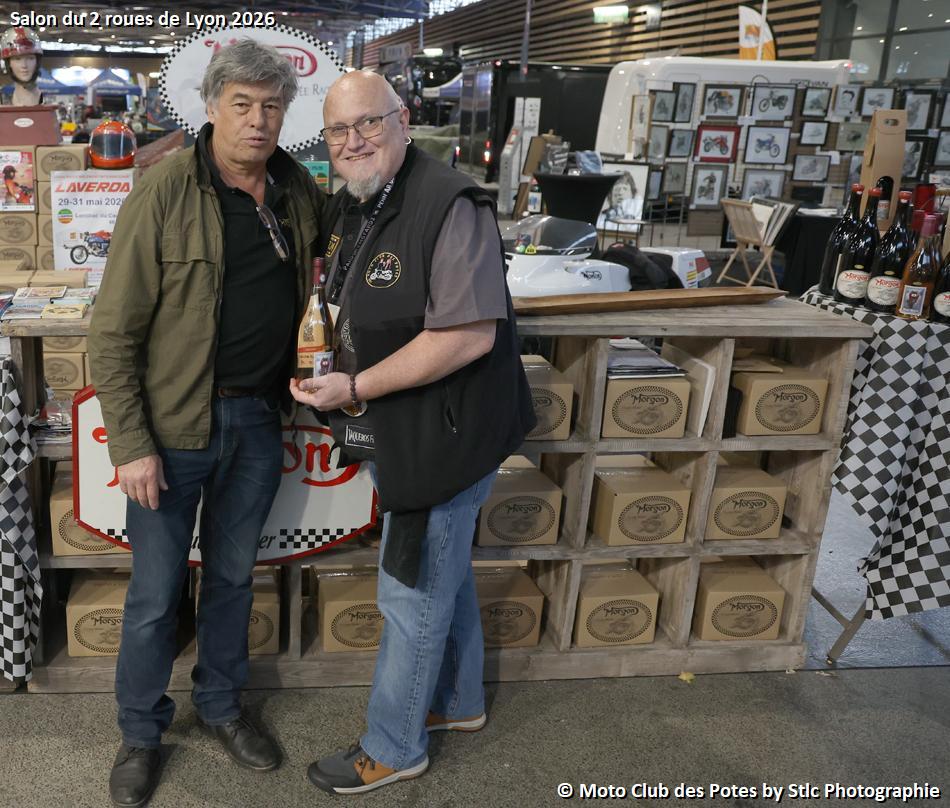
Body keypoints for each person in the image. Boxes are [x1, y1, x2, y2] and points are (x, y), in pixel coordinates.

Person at [87, 39, 324, 807]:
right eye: (242, 104)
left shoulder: (296, 192)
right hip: (171, 429)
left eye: (271, 107)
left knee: (230, 579)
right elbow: (112, 333)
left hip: (257, 420)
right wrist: (132, 445)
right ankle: (140, 733)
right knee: (156, 594)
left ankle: (221, 706)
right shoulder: (164, 191)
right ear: (212, 108)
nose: (258, 121)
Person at [292, 70, 535, 795]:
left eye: (369, 122)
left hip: (445, 437)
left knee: (411, 590)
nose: (354, 140)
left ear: (402, 120)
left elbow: (465, 336)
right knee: (442, 571)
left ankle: (395, 746)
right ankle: (457, 702)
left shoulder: (450, 203)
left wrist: (355, 387)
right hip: (409, 426)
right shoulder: (359, 201)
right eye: (339, 130)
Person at [0, 25, 43, 106]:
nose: (24, 65)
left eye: (30, 58)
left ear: (37, 62)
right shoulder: (3, 99)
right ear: (9, 64)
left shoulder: (48, 100)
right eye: (17, 59)